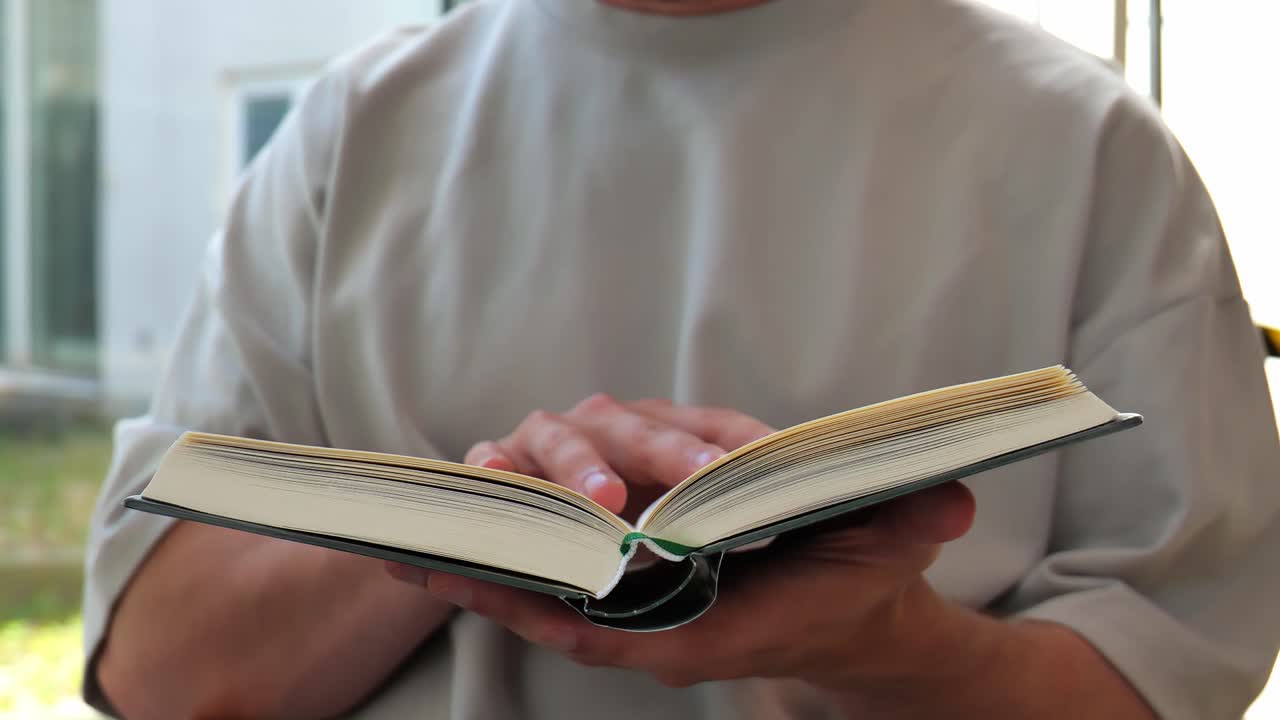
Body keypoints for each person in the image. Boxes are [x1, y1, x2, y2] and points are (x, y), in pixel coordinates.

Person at [83, 1, 1280, 718]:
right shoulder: (354, 130)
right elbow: (156, 668)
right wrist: (474, 525)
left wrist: (884, 647)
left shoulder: (1084, 146)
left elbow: (1170, 680)